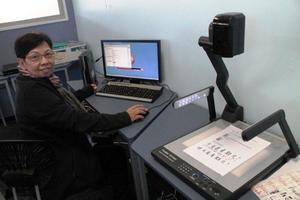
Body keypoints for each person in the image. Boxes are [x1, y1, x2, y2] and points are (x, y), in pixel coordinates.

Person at [14, 32, 148, 200]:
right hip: (65, 162)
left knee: (115, 153)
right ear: (22, 62)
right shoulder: (34, 93)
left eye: (48, 54)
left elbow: (59, 107)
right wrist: (125, 117)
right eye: (35, 57)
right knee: (115, 152)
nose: (45, 61)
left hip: (59, 146)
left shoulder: (30, 81)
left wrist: (86, 91)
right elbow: (79, 120)